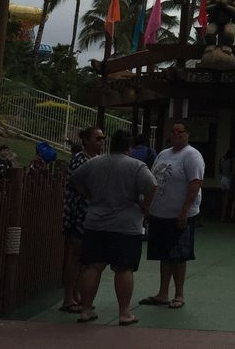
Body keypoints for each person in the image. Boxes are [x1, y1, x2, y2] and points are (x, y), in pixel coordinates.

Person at [71, 129, 156, 326]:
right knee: (124, 268)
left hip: (96, 222)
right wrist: (146, 207)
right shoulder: (136, 166)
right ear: (129, 147)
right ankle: (124, 313)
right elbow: (152, 186)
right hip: (126, 224)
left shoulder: (94, 162)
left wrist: (89, 196)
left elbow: (75, 179)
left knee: (92, 266)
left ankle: (86, 310)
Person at [142, 121, 205, 310]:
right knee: (164, 254)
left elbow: (195, 183)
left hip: (179, 214)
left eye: (180, 131)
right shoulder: (163, 154)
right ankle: (163, 293)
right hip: (160, 212)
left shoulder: (192, 155)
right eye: (173, 131)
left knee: (178, 255)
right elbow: (153, 180)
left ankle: (179, 294)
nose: (176, 134)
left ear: (187, 134)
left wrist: (184, 210)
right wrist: (148, 207)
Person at [60, 126, 104, 314]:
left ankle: (77, 294)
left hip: (91, 215)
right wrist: (92, 196)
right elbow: (77, 183)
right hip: (78, 214)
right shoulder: (80, 160)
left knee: (84, 258)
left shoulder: (96, 160)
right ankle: (68, 297)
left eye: (102, 138)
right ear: (86, 140)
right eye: (97, 138)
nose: (101, 142)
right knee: (75, 257)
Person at [218, 148, 235, 222]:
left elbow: (220, 170)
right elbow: (232, 171)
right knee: (227, 197)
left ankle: (222, 214)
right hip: (228, 178)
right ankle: (225, 215)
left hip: (222, 178)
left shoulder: (222, 159)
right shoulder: (231, 161)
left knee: (223, 197)